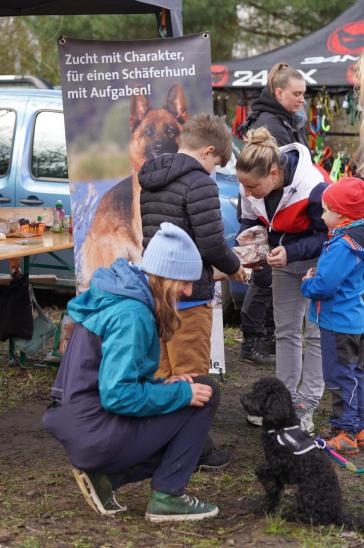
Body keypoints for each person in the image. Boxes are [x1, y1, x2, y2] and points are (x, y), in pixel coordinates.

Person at [43, 222, 220, 523]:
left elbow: (108, 376)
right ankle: (168, 496)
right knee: (206, 394)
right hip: (96, 431)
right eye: (184, 282)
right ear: (165, 277)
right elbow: (117, 395)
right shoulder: (132, 315)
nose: (189, 291)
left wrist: (163, 385)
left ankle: (107, 480)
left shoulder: (121, 295)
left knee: (191, 391)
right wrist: (178, 394)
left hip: (83, 422)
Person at [139, 113, 247, 468]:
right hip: (190, 293)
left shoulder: (153, 176)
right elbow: (213, 243)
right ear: (209, 150)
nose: (215, 170)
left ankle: (159, 441)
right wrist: (235, 268)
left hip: (158, 289)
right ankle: (195, 449)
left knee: (163, 372)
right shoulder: (199, 182)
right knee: (192, 375)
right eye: (217, 163)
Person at [236, 127, 328, 433]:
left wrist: (291, 251)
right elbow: (249, 218)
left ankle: (308, 403)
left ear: (274, 174)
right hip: (282, 259)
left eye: (252, 187)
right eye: (243, 186)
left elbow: (329, 234)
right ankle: (282, 401)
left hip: (318, 261)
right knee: (286, 332)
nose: (247, 192)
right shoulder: (249, 180)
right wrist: (255, 244)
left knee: (314, 333)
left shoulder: (311, 184)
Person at [238, 63, 308, 368]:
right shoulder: (273, 124)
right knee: (264, 277)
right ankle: (252, 341)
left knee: (271, 276)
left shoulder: (283, 119)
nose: (302, 100)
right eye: (297, 94)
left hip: (277, 210)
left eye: (304, 94)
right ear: (278, 92)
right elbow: (267, 177)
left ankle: (265, 337)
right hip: (267, 211)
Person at [301, 178, 364, 453]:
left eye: (325, 210)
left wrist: (307, 282)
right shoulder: (357, 240)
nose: (321, 215)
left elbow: (325, 285)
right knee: (357, 375)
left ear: (342, 215)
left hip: (338, 322)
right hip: (356, 320)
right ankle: (359, 427)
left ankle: (345, 431)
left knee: (340, 377)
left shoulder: (342, 245)